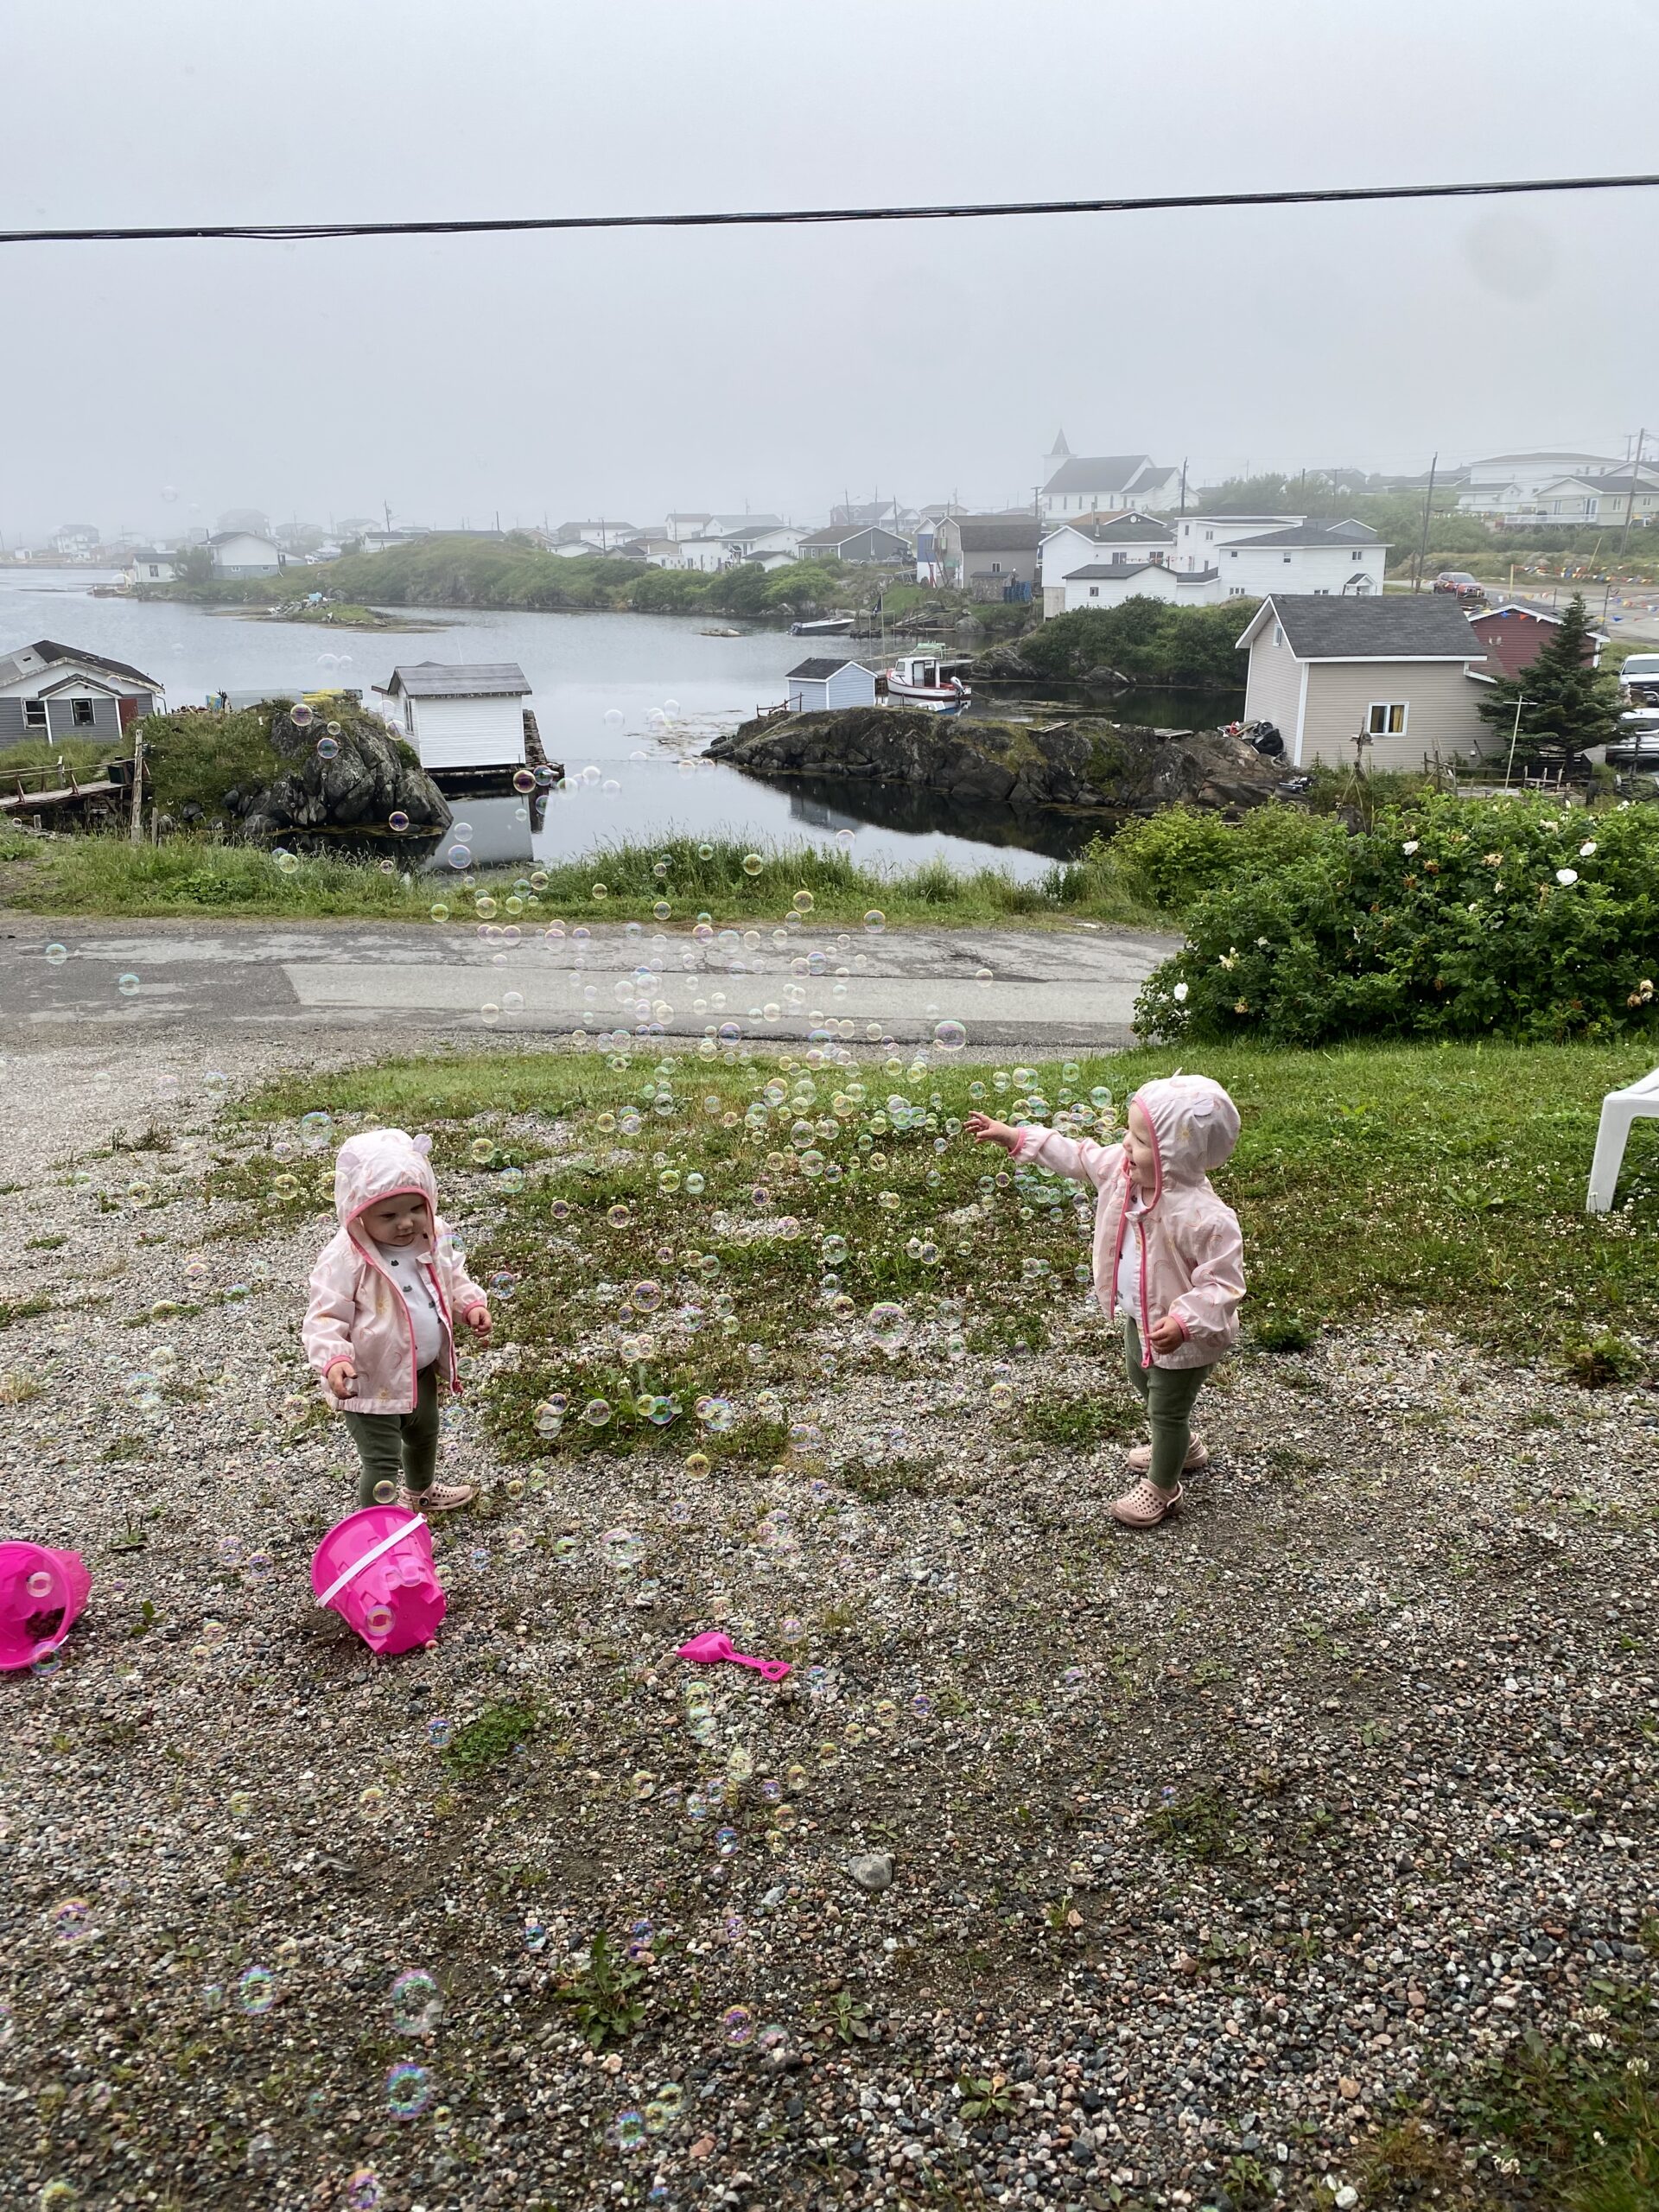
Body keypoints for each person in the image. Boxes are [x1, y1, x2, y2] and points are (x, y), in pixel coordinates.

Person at [966, 1074, 1244, 1529]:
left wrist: (1184, 1321)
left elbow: (1222, 1284)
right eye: (1129, 1132)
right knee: (1140, 1376)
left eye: (1140, 1139)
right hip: (1140, 1315)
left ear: (1178, 1153)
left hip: (1184, 1335)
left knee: (1165, 1408)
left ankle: (1164, 1486)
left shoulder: (1205, 1218)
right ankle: (1184, 1446)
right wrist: (1016, 1137)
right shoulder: (1122, 1173)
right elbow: (1078, 1154)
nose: (1125, 1144)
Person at [302, 1127, 492, 1513]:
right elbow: (325, 1314)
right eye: (389, 1215)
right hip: (369, 1379)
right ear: (357, 1213)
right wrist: (335, 1358)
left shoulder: (433, 1236)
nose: (405, 1223)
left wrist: (469, 1304)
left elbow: (451, 1276)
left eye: (416, 1209)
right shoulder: (347, 1257)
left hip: (418, 1368)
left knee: (424, 1434)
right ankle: (378, 1530)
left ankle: (420, 1492)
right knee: (382, 1461)